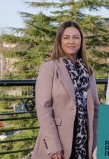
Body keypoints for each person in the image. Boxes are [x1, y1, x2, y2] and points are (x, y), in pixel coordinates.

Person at [31, 21, 99, 159]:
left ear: (81, 41)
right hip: (58, 144)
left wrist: (97, 144)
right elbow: (44, 109)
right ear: (60, 40)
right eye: (66, 37)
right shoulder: (49, 68)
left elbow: (96, 110)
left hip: (85, 144)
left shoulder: (88, 71)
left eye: (76, 37)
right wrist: (53, 145)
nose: (71, 41)